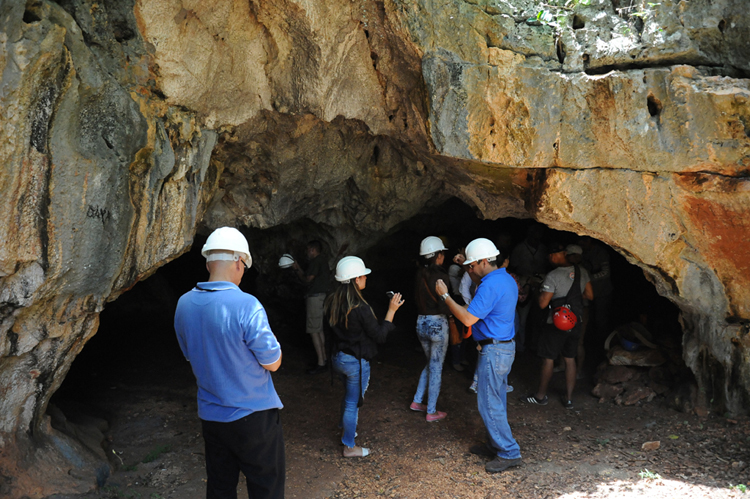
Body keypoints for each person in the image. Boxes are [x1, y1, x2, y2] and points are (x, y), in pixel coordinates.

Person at [174, 227, 284, 499]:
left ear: (209, 261)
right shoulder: (247, 305)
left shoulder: (184, 304)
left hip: (212, 417)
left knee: (220, 488)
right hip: (254, 417)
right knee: (266, 488)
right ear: (239, 261)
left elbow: (190, 354)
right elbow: (273, 362)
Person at [435, 238, 522, 474]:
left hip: (494, 350)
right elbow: (479, 283)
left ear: (484, 261)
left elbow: (467, 319)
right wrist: (468, 265)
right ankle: (495, 444)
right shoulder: (504, 278)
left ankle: (509, 452)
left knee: (488, 403)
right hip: (503, 347)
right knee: (497, 399)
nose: (469, 270)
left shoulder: (490, 286)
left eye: (472, 266)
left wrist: (445, 296)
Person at [325, 256, 404, 458]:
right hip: (355, 362)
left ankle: (345, 428)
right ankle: (349, 447)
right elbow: (379, 336)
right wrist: (391, 311)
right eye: (363, 275)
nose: (366, 278)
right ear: (356, 279)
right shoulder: (361, 308)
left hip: (338, 359)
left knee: (348, 396)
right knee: (353, 403)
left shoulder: (332, 302)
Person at [521, 244, 594, 410]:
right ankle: (569, 399)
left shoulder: (552, 275)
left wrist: (542, 290)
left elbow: (542, 303)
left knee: (548, 359)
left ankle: (540, 396)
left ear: (561, 255)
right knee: (570, 359)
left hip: (555, 323)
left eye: (552, 255)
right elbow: (590, 295)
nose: (549, 258)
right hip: (575, 321)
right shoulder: (582, 271)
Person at [411, 236, 452, 422]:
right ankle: (431, 411)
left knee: (431, 363)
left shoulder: (419, 274)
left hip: (421, 322)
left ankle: (417, 401)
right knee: (436, 367)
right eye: (442, 253)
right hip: (437, 324)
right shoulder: (441, 276)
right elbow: (445, 304)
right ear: (437, 256)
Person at [293, 240, 331, 374]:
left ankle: (321, 363)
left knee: (313, 329)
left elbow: (307, 279)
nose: (307, 253)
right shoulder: (322, 260)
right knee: (319, 328)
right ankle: (324, 359)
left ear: (313, 250)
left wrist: (297, 270)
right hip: (322, 296)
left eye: (308, 250)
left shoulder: (316, 261)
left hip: (315, 297)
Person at [509, 224, 548, 352]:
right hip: (524, 285)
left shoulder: (543, 249)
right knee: (522, 318)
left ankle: (535, 345)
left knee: (539, 317)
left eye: (539, 233)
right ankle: (520, 346)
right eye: (534, 233)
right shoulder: (520, 248)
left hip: (541, 285)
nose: (537, 235)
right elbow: (513, 267)